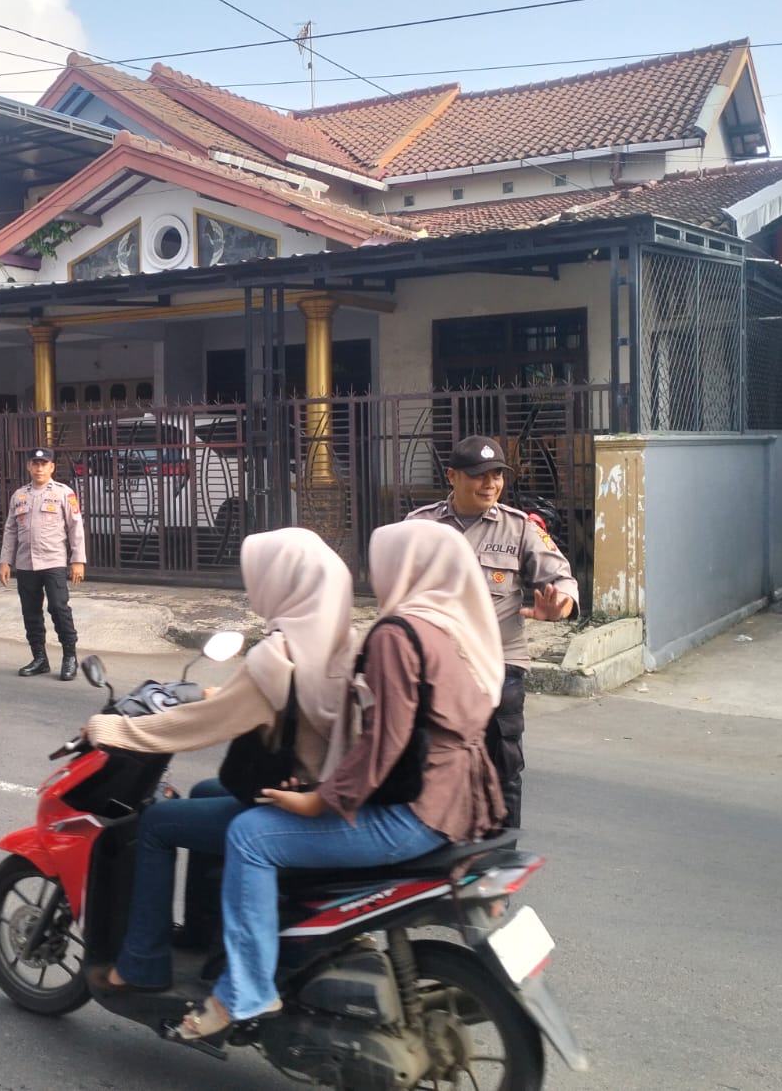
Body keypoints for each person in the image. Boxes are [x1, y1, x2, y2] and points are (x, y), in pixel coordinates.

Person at [176, 520, 506, 1041]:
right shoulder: (455, 629)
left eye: (382, 562)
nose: (375, 574)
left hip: (412, 815)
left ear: (407, 567)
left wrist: (321, 801)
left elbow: (385, 742)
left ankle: (246, 991)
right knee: (228, 805)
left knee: (249, 835)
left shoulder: (396, 635)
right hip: (461, 803)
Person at [83, 527, 356, 994]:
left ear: (285, 582)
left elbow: (196, 727)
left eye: (260, 576)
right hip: (319, 786)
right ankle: (201, 932)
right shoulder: (340, 637)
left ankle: (141, 964)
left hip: (296, 805)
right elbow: (265, 704)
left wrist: (108, 729)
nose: (253, 587)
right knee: (205, 791)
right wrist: (221, 696)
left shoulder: (278, 655)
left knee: (158, 823)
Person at [405, 435, 579, 829]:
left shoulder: (519, 528)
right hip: (436, 668)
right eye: (479, 475)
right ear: (452, 476)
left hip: (499, 666)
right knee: (431, 765)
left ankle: (500, 859)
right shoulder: (420, 526)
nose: (491, 484)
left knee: (503, 771)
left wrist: (560, 606)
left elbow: (561, 579)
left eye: (497, 475)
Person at [0, 446, 86, 681]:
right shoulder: (19, 496)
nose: (39, 468)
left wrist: (77, 560)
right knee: (31, 612)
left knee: (58, 608)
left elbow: (76, 527)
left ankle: (70, 657)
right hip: (26, 564)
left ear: (52, 467)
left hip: (53, 561)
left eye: (44, 464)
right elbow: (10, 530)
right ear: (29, 466)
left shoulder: (64, 493)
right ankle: (39, 659)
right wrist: (5, 561)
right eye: (35, 464)